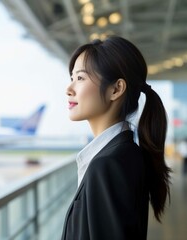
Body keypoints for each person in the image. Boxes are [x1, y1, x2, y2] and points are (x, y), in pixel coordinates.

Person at [61, 36, 171, 239]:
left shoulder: (107, 165)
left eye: (81, 78)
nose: (69, 89)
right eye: (72, 78)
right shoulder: (127, 153)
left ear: (116, 89)